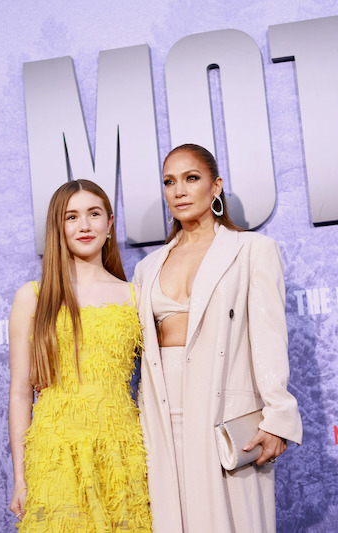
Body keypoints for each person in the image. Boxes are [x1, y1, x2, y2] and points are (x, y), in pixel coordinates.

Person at [134, 144, 303, 532]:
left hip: (224, 415)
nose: (179, 190)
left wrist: (278, 416)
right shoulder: (147, 267)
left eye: (191, 178)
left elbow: (269, 337)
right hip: (160, 419)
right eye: (169, 182)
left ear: (216, 186)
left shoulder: (252, 250)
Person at [8, 179, 151, 531]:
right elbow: (20, 392)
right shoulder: (33, 297)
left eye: (94, 214)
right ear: (57, 227)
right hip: (56, 455)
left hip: (122, 452)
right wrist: (20, 479)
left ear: (110, 223)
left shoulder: (136, 296)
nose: (84, 225)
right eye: (71, 217)